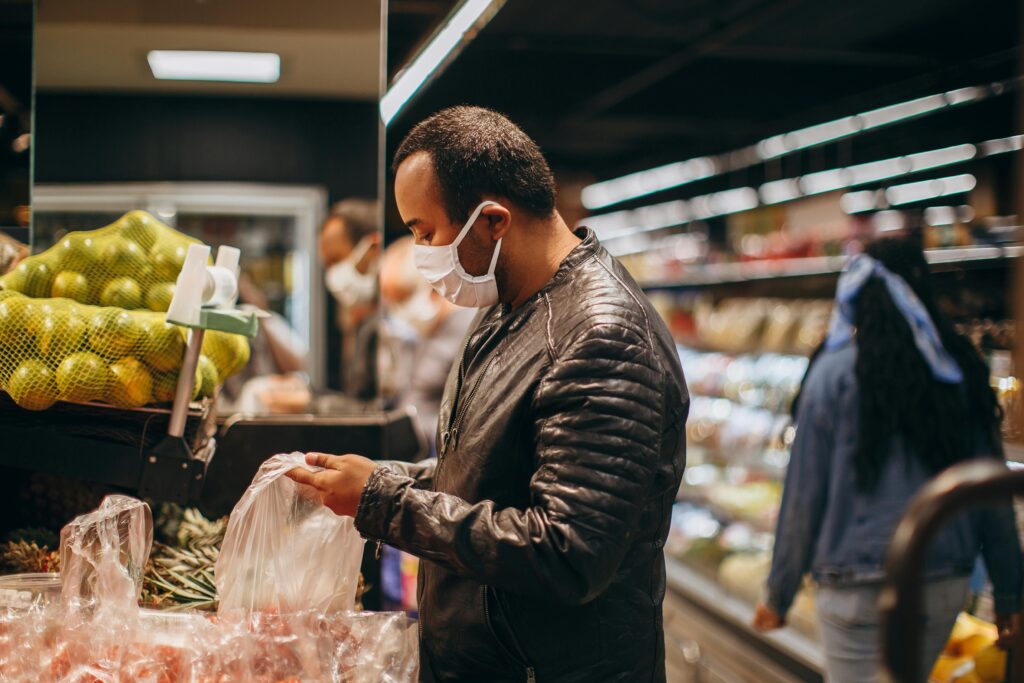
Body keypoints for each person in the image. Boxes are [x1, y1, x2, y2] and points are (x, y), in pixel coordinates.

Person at [286, 106, 688, 682]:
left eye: (425, 231)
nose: (421, 249)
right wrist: (383, 478)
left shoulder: (603, 337)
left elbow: (566, 553)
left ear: (493, 221)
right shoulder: (508, 307)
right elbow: (491, 473)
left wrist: (385, 503)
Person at [752, 237, 1022, 682]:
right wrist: (1011, 596)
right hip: (939, 583)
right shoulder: (957, 368)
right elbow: (990, 491)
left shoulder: (832, 374)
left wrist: (778, 593)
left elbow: (804, 495)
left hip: (853, 590)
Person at [379, 235, 476, 451]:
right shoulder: (422, 332)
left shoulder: (468, 330)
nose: (397, 310)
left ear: (433, 287)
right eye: (391, 301)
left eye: (402, 299)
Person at [318, 198, 381, 401]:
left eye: (336, 259)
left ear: (372, 249)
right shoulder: (354, 317)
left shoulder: (397, 321)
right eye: (327, 264)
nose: (332, 273)